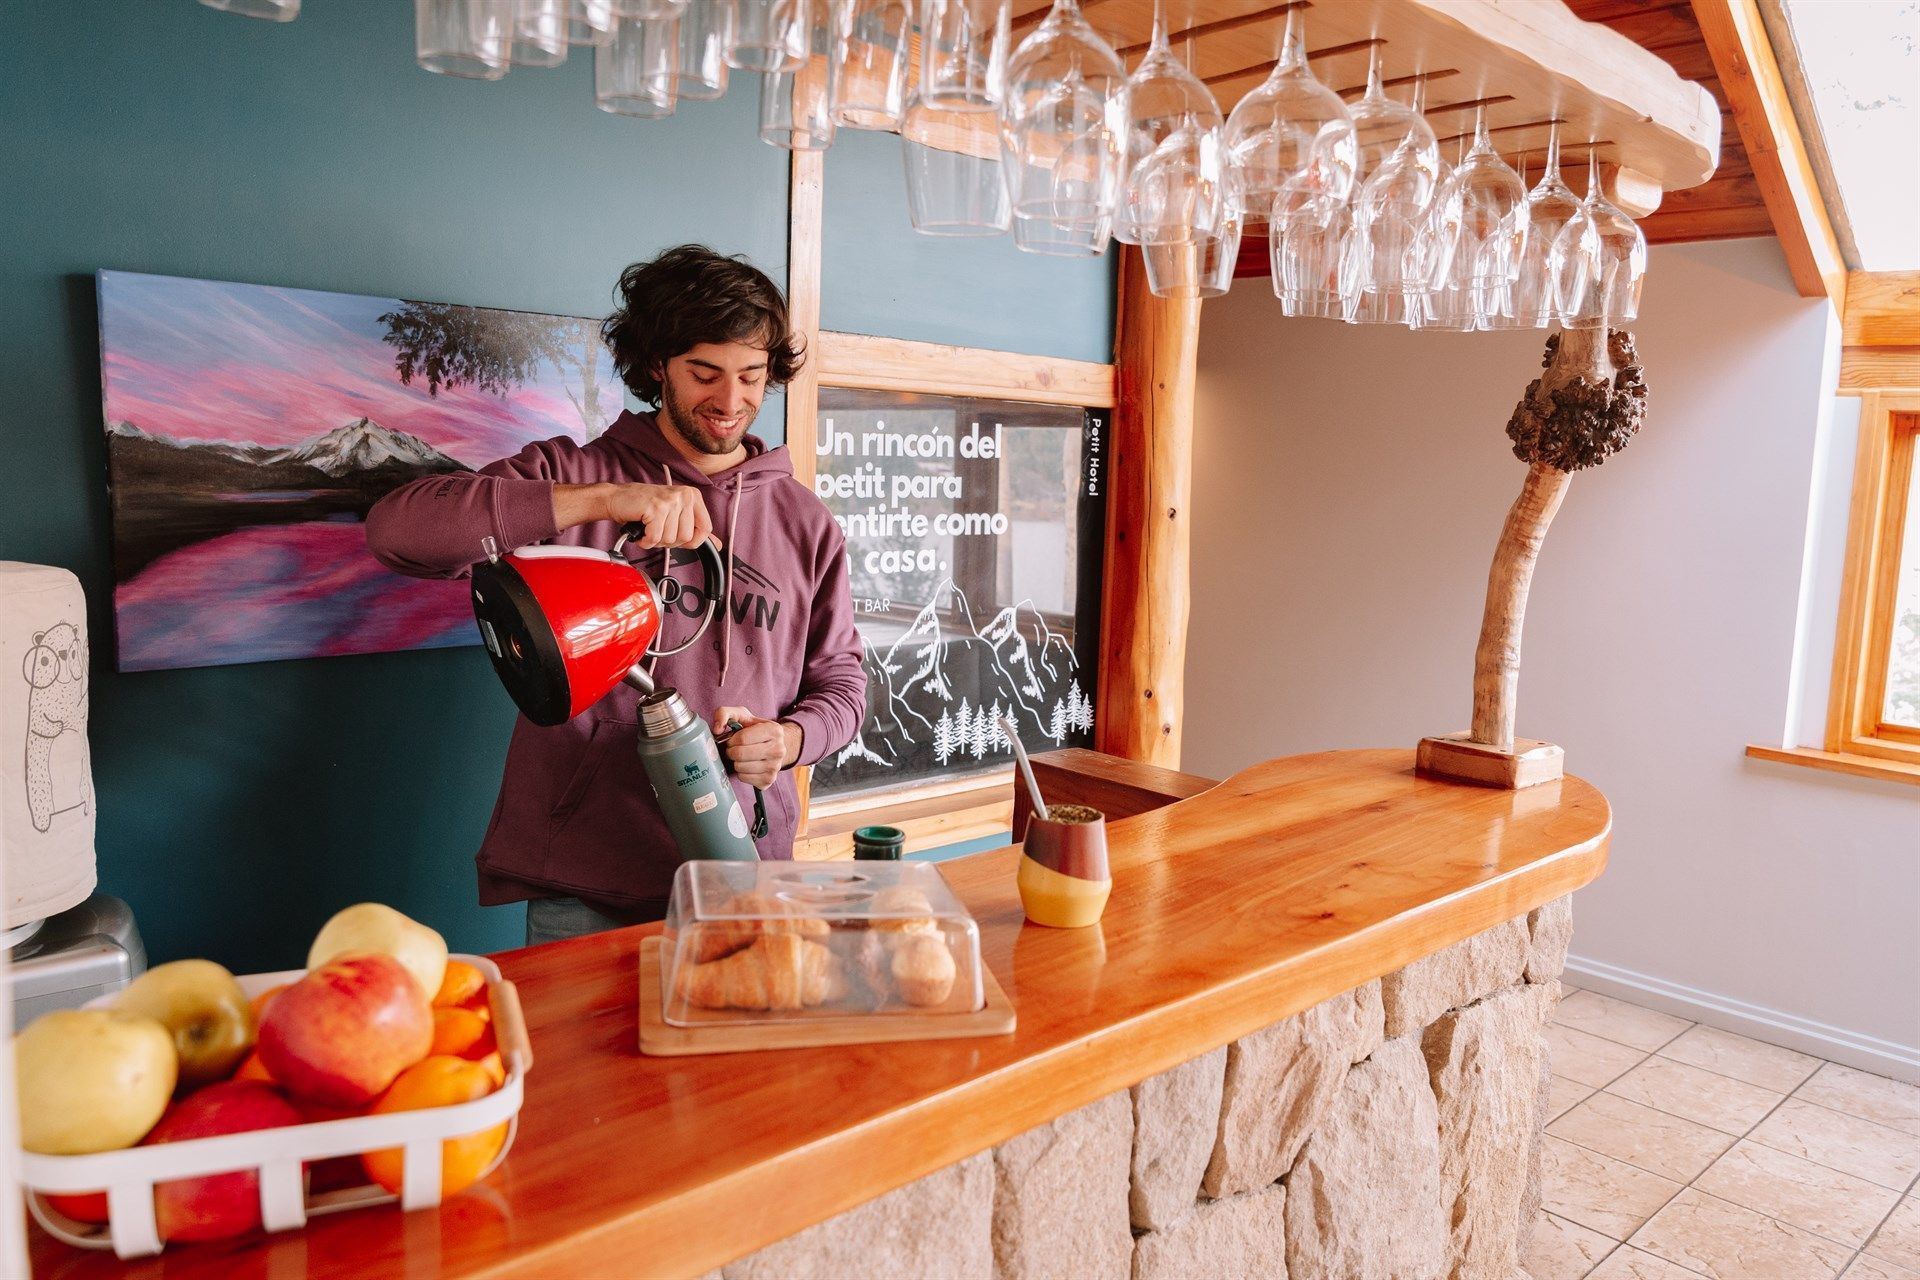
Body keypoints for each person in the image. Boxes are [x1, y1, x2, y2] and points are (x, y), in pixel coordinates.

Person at [367, 245, 867, 945]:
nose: (731, 401)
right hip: (589, 884)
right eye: (704, 373)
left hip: (747, 876)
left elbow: (842, 683)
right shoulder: (573, 473)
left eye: (752, 376)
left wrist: (789, 740)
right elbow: (397, 533)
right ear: (657, 364)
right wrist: (601, 498)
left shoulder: (805, 522)